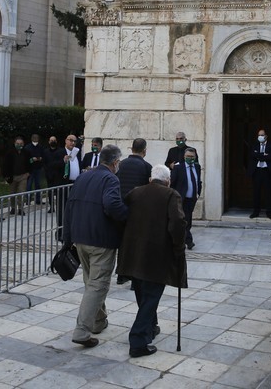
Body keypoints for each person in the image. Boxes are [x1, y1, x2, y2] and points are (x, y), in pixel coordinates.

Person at [117, 164, 187, 358]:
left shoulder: (135, 192)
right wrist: (179, 248)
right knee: (151, 297)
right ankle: (138, 340)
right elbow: (178, 222)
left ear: (150, 179)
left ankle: (150, 327)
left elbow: (122, 215)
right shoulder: (171, 194)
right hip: (156, 254)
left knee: (143, 293)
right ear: (168, 181)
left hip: (133, 253)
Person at [63, 144, 128, 348]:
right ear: (115, 162)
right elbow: (112, 204)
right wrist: (127, 216)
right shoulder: (111, 179)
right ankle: (82, 331)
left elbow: (69, 206)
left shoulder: (83, 177)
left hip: (80, 237)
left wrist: (67, 238)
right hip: (101, 240)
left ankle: (98, 321)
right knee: (98, 284)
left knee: (91, 282)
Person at [115, 138, 152, 285]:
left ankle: (121, 274)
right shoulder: (146, 166)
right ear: (144, 150)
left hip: (121, 209)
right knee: (137, 244)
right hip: (138, 211)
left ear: (132, 149)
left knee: (122, 243)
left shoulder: (121, 165)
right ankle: (135, 278)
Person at [169, 147, 201, 250]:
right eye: (188, 156)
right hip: (181, 199)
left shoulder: (197, 167)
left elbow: (198, 181)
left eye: (192, 156)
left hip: (192, 199)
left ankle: (182, 239)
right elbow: (172, 183)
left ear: (195, 157)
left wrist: (198, 193)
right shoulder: (178, 168)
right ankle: (188, 241)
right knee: (183, 220)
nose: (190, 158)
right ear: (184, 156)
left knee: (188, 220)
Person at [55, 134, 82, 240]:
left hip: (75, 184)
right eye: (70, 140)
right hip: (64, 185)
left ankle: (72, 231)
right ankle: (61, 232)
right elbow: (51, 165)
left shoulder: (76, 153)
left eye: (74, 141)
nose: (72, 143)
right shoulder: (60, 152)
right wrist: (63, 161)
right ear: (66, 141)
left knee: (74, 208)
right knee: (62, 208)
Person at [248, 129, 271, 220]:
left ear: (266, 136)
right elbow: (252, 155)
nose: (260, 137)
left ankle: (269, 212)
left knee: (268, 192)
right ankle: (256, 212)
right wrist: (264, 155)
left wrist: (259, 155)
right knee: (256, 192)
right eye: (259, 135)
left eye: (262, 135)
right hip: (257, 171)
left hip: (267, 171)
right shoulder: (255, 145)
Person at [3, 135, 32, 215]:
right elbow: (5, 165)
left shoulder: (26, 152)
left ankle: (20, 209)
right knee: (12, 193)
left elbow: (30, 163)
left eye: (21, 143)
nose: (19, 145)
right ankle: (13, 207)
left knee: (21, 193)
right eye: (17, 143)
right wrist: (6, 176)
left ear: (23, 144)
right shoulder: (10, 153)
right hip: (12, 176)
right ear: (14, 143)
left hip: (23, 176)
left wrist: (28, 172)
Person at [25, 133, 48, 205]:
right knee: (29, 185)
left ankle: (38, 200)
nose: (35, 139)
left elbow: (44, 156)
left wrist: (41, 158)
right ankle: (28, 200)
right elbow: (25, 159)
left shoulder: (41, 147)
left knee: (38, 185)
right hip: (30, 169)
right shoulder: (27, 147)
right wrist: (32, 159)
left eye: (37, 138)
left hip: (38, 168)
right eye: (34, 138)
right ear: (32, 139)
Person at [43, 135, 65, 213]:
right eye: (51, 140)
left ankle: (59, 206)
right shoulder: (45, 152)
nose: (53, 142)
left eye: (54, 140)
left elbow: (63, 162)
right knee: (50, 192)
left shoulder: (61, 151)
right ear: (49, 142)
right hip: (49, 175)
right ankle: (51, 207)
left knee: (58, 192)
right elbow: (44, 163)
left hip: (59, 175)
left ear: (56, 141)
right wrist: (47, 172)